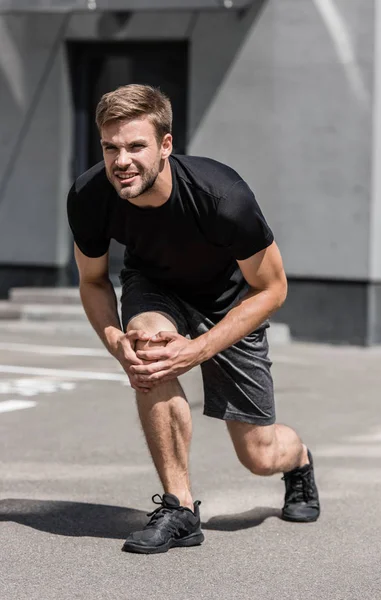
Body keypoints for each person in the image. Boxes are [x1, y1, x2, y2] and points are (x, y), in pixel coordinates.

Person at [67, 83, 320, 555]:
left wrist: (200, 349)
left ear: (165, 146)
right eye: (110, 147)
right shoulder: (89, 196)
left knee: (259, 455)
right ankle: (180, 508)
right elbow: (93, 281)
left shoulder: (221, 195)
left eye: (136, 146)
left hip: (227, 303)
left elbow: (273, 288)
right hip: (155, 286)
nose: (121, 160)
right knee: (150, 350)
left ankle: (300, 460)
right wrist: (114, 338)